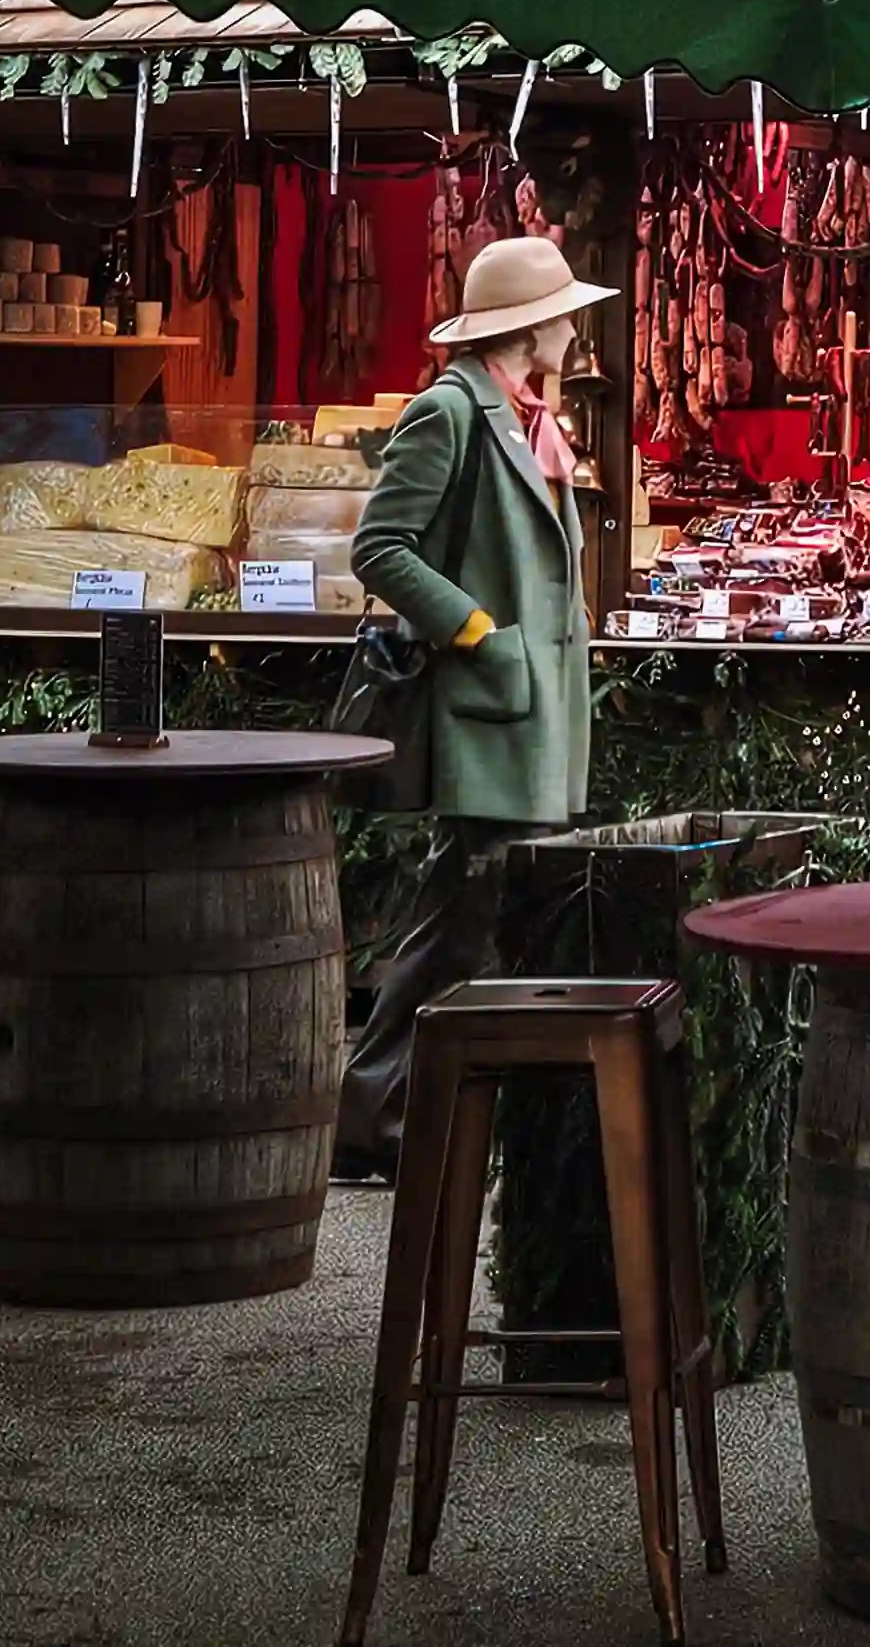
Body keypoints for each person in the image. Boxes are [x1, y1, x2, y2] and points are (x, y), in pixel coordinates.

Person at [332, 232, 610, 1178]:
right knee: (457, 918)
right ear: (529, 328)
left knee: (472, 916)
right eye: (565, 314)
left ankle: (414, 1110)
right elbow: (380, 548)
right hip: (491, 701)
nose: (575, 328)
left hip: (533, 705)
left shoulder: (531, 417)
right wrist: (477, 629)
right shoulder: (450, 412)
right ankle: (375, 1113)